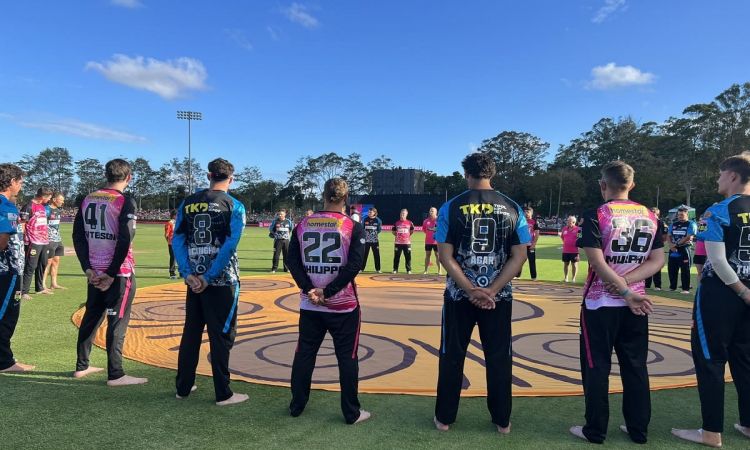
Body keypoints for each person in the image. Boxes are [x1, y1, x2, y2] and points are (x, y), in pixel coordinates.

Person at [433, 152, 530, 433]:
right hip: (498, 297)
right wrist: (492, 289)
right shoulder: (513, 208)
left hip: (458, 296)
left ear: (467, 174)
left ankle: (444, 418)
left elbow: (444, 255)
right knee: (499, 356)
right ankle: (502, 420)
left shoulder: (451, 207)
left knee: (452, 354)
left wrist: (470, 289)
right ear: (492, 174)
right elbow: (519, 256)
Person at [570, 161, 664, 444]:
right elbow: (657, 260)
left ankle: (595, 430)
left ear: (603, 185)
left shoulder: (598, 214)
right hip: (636, 304)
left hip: (601, 303)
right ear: (631, 185)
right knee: (635, 366)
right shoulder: (650, 215)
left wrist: (622, 289)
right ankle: (638, 429)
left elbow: (596, 262)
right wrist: (630, 287)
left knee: (596, 366)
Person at [672, 153, 750, 448]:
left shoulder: (717, 211)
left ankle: (711, 431)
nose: (717, 180)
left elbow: (717, 260)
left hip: (721, 293)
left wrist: (741, 291)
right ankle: (747, 423)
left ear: (732, 176)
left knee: (711, 360)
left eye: (720, 174)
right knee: (745, 359)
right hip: (746, 293)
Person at [286, 177, 370, 424]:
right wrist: (329, 291)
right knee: (347, 358)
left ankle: (297, 406)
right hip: (343, 306)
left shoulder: (302, 223)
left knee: (305, 353)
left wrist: (310, 289)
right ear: (346, 198)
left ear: (323, 196)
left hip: (310, 303)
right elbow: (355, 264)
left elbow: (292, 261)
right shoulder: (352, 226)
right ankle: (351, 413)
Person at [173, 158, 248, 406]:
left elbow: (178, 240)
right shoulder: (234, 206)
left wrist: (188, 273)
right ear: (231, 178)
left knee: (191, 333)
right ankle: (223, 392)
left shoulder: (187, 203)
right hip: (222, 280)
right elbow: (230, 245)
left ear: (209, 175)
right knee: (222, 335)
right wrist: (210, 276)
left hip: (194, 279)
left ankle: (183, 387)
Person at [72, 159, 147, 386]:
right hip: (118, 272)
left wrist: (87, 267)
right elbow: (125, 238)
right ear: (128, 177)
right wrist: (112, 272)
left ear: (107, 175)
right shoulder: (124, 200)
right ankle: (116, 373)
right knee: (118, 320)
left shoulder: (88, 198)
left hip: (95, 271)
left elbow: (78, 236)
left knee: (92, 316)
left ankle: (81, 366)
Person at [0, 164, 34, 373]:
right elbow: (2, 240)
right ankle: (4, 362)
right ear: (11, 182)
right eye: (20, 181)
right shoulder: (6, 207)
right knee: (7, 315)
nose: (20, 186)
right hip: (8, 270)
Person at [20, 186, 53, 299]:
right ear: (43, 196)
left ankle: (40, 288)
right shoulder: (28, 206)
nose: (49, 200)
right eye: (48, 197)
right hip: (32, 242)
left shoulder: (43, 207)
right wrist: (24, 240)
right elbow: (22, 224)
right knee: (30, 266)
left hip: (43, 241)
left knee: (43, 264)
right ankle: (24, 291)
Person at [668, 205, 697, 294]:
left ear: (687, 214)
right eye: (679, 215)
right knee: (672, 268)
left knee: (685, 269)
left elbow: (688, 237)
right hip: (673, 249)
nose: (680, 216)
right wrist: (670, 245)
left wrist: (676, 245)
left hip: (684, 248)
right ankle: (672, 287)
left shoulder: (691, 223)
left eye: (682, 215)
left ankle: (685, 289)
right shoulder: (673, 224)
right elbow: (669, 235)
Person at [42, 192, 66, 290]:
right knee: (48, 262)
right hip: (49, 240)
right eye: (61, 200)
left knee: (56, 261)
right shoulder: (46, 209)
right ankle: (42, 284)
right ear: (54, 199)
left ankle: (54, 283)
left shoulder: (58, 210)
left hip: (58, 239)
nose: (63, 202)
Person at [644, 207, 668, 291]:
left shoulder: (661, 223)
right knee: (646, 265)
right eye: (650, 211)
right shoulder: (646, 222)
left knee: (656, 265)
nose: (651, 212)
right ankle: (647, 284)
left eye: (653, 211)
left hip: (656, 246)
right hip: (647, 246)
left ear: (657, 213)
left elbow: (665, 236)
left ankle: (658, 285)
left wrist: (658, 243)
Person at [517, 206, 539, 280]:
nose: (526, 214)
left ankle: (533, 277)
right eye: (525, 212)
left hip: (530, 245)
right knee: (519, 260)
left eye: (528, 212)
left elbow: (537, 233)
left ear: (531, 213)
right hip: (521, 245)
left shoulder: (534, 222)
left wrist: (534, 244)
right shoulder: (520, 221)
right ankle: (517, 275)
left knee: (532, 261)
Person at [269, 208, 293, 273]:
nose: (280, 215)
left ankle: (287, 269)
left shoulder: (289, 221)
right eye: (279, 214)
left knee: (286, 255)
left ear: (285, 214)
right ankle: (274, 269)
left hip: (286, 241)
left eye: (281, 214)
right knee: (276, 255)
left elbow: (291, 229)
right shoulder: (275, 221)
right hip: (277, 241)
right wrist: (276, 234)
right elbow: (271, 229)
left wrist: (286, 235)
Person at [392, 209, 414, 274]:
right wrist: (398, 236)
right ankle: (395, 269)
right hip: (398, 243)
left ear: (406, 214)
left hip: (407, 243)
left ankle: (408, 270)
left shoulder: (410, 223)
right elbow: (393, 231)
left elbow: (411, 231)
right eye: (401, 213)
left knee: (408, 257)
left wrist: (406, 236)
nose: (402, 215)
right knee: (396, 256)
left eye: (403, 214)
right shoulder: (396, 223)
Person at [560, 215, 580, 283]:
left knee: (574, 264)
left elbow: (580, 238)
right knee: (566, 264)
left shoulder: (578, 229)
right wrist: (566, 243)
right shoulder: (564, 228)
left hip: (574, 250)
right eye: (567, 221)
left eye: (569, 221)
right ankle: (566, 278)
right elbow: (562, 237)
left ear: (574, 222)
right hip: (565, 250)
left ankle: (573, 278)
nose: (568, 222)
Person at [362, 207, 382, 273]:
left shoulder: (378, 220)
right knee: (364, 255)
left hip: (375, 241)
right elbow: (363, 228)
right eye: (369, 212)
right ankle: (361, 269)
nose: (369, 213)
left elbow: (379, 230)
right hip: (366, 241)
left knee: (376, 255)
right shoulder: (365, 219)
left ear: (374, 213)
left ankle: (378, 269)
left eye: (371, 212)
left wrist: (373, 235)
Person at [423, 207, 441, 275]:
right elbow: (424, 230)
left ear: (436, 212)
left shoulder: (439, 220)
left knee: (437, 255)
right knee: (427, 255)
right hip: (428, 241)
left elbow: (441, 229)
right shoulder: (425, 221)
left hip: (436, 241)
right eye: (430, 211)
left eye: (432, 211)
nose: (431, 212)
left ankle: (439, 270)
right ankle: (425, 270)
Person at [693, 210, 709, 283]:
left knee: (702, 273)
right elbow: (701, 235)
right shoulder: (704, 222)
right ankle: (700, 290)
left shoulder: (704, 222)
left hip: (703, 252)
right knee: (702, 273)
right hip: (702, 252)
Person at [165, 209, 177, 279]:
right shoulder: (169, 223)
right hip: (172, 243)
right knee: (173, 257)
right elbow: (166, 234)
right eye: (177, 215)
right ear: (174, 215)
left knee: (179, 257)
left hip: (178, 244)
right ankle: (172, 273)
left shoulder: (178, 222)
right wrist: (169, 242)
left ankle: (181, 273)